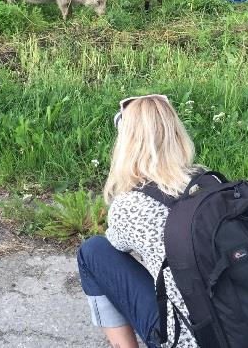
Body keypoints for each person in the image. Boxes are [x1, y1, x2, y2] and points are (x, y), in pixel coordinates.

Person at [77, 94, 199, 348]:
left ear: (127, 145)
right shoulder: (211, 183)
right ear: (177, 135)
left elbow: (116, 251)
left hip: (191, 339)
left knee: (93, 252)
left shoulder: (130, 206)